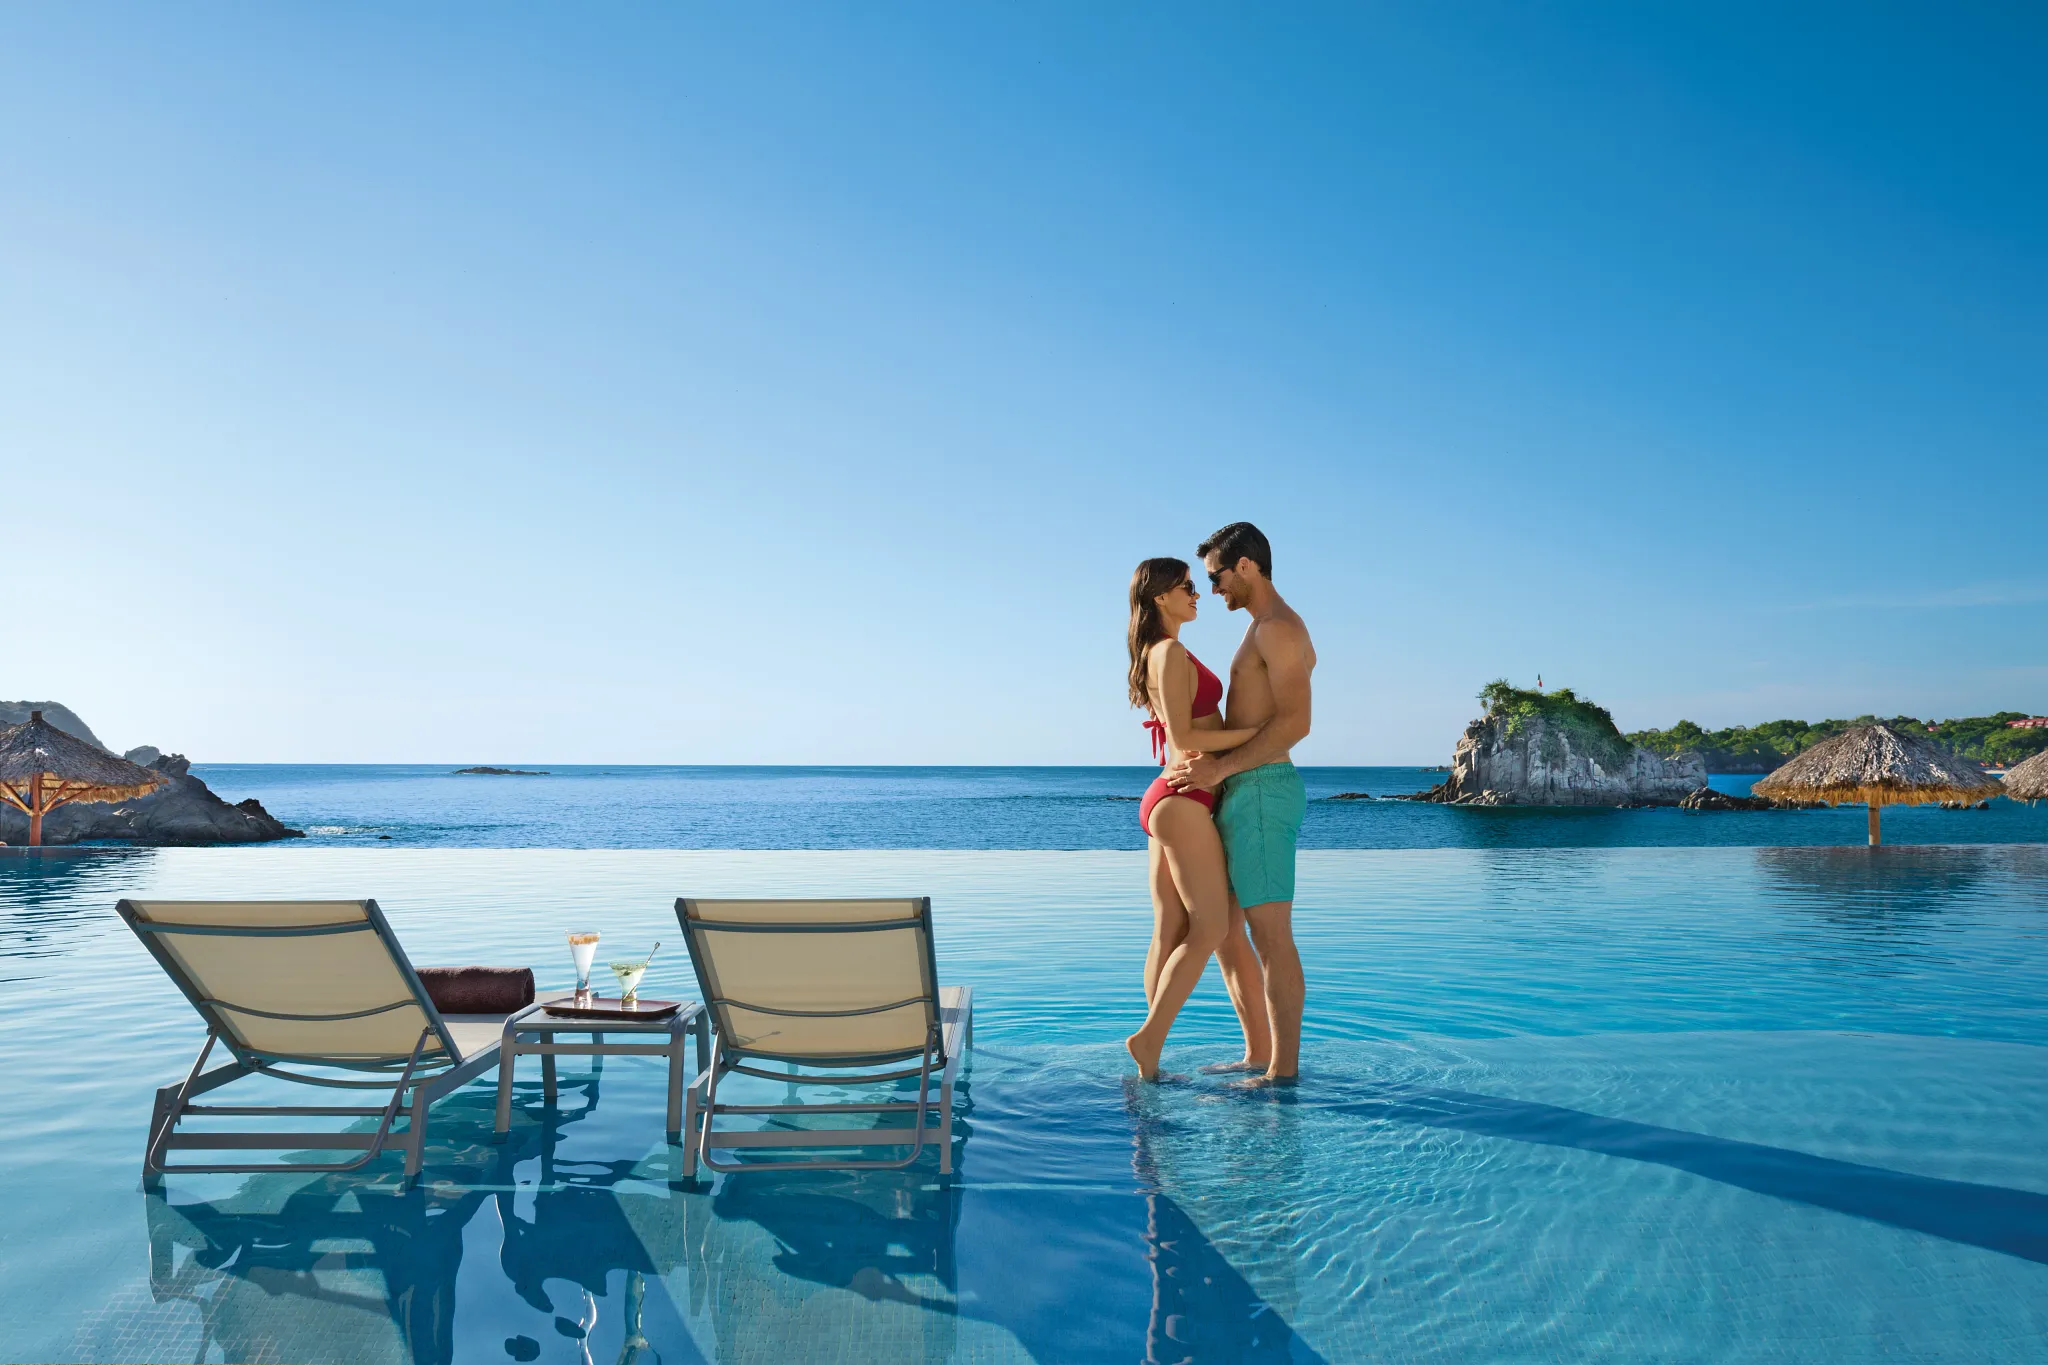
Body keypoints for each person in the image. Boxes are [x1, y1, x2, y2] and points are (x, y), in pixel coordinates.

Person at [1167, 522, 1315, 1085]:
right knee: (1227, 933)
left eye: (1216, 576)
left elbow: (1296, 723)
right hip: (1243, 791)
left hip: (1261, 790)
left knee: (1271, 936)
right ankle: (1258, 1053)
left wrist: (1221, 768)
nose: (1211, 589)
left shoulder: (1276, 630)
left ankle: (1283, 1072)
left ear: (1246, 566)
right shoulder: (1260, 629)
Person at [1123, 557, 1261, 1081]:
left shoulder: (1155, 652)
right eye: (1186, 586)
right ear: (1160, 596)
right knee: (1211, 926)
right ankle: (1150, 1038)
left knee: (1170, 928)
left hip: (1169, 796)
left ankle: (1150, 1057)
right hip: (1185, 800)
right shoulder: (1170, 651)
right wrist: (1255, 736)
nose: (1197, 593)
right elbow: (1185, 738)